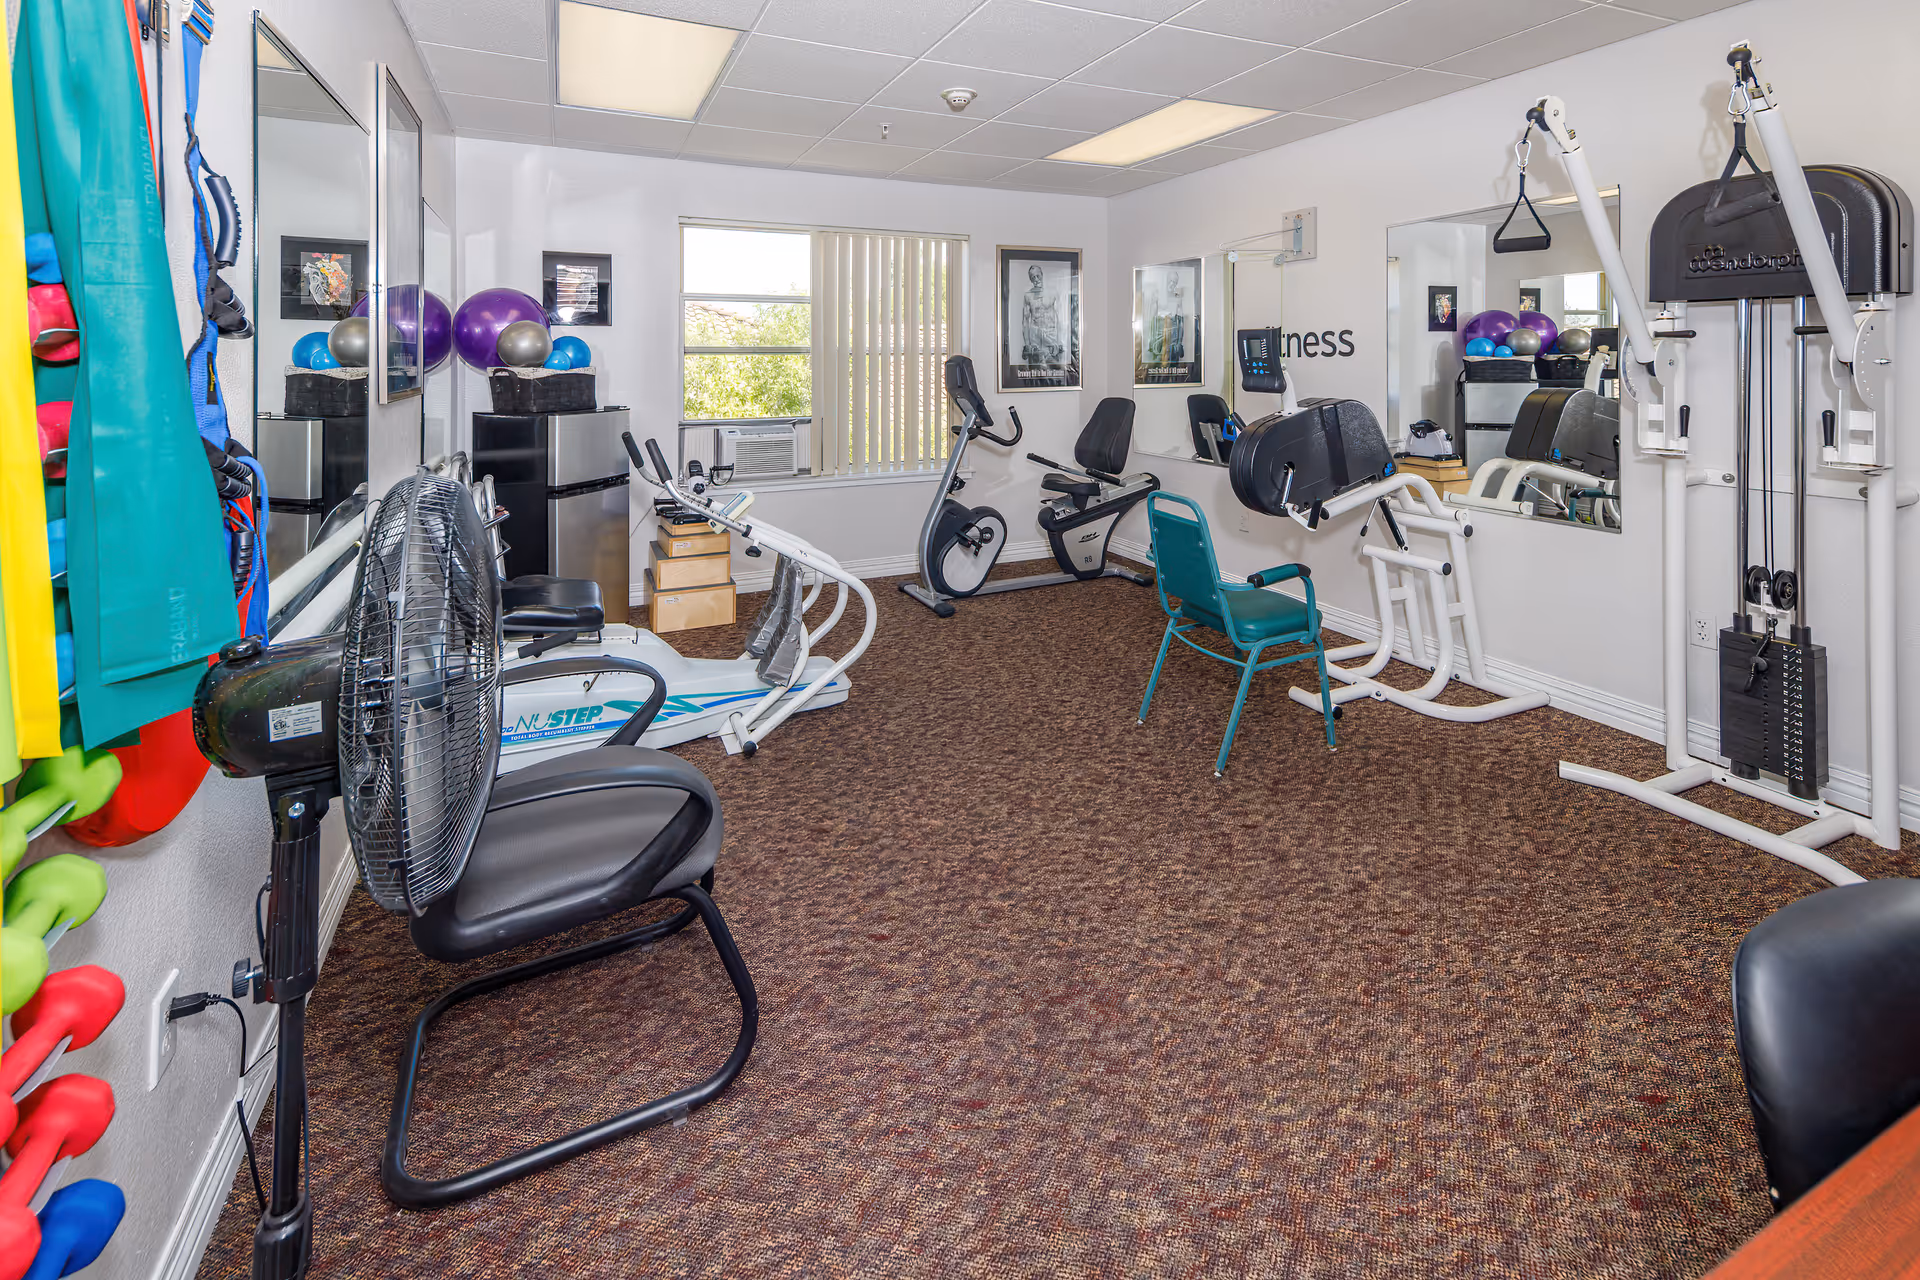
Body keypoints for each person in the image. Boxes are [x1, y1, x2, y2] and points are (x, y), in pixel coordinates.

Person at [1019, 263, 1063, 368]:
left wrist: (1058, 340)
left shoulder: (1053, 293)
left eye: (1037, 276)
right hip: (1035, 338)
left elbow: (1060, 318)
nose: (1036, 279)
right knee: (1036, 371)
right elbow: (1025, 321)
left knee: (1054, 369)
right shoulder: (1028, 296)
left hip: (1050, 335)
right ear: (1030, 279)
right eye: (1032, 277)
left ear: (1042, 275)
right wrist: (1027, 343)